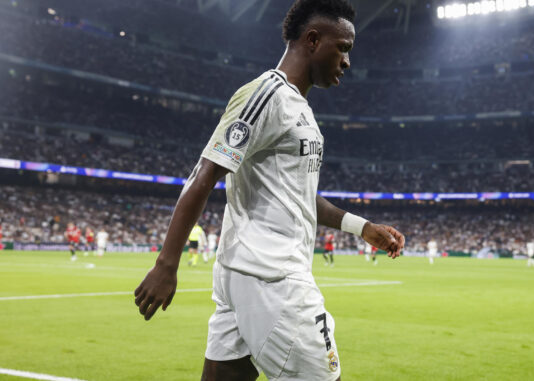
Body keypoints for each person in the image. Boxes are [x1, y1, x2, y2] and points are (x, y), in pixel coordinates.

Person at [134, 1, 405, 380]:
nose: (346, 61)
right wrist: (166, 264)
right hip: (273, 278)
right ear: (312, 40)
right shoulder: (266, 94)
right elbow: (205, 173)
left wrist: (362, 228)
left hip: (247, 273)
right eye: (342, 48)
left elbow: (299, 196)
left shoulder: (301, 109)